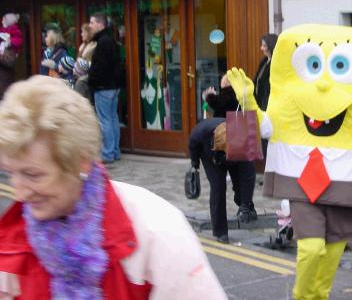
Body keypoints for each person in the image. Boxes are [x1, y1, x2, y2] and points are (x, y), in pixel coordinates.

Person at [0, 75, 227, 299]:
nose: (19, 193)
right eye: (12, 173)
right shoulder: (13, 239)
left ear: (81, 162)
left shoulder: (157, 232)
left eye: (33, 175)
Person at [228, 24, 352, 300]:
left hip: (344, 186)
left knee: (332, 254)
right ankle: (300, 296)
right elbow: (265, 127)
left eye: (340, 66)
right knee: (311, 249)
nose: (322, 83)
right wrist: (248, 102)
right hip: (303, 186)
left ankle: (318, 296)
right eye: (315, 67)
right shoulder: (289, 106)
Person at [189, 118, 257, 244]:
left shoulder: (244, 142)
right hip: (210, 158)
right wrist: (195, 165)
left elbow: (248, 177)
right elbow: (193, 145)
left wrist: (245, 204)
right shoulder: (200, 132)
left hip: (238, 154)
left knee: (239, 184)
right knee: (218, 188)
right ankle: (220, 232)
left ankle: (246, 208)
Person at [88, 13, 122, 165]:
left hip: (104, 86)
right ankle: (115, 150)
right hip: (113, 86)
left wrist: (92, 80)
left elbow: (100, 67)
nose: (90, 25)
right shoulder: (111, 40)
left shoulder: (102, 42)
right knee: (113, 118)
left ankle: (108, 153)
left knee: (105, 119)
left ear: (100, 25)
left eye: (92, 22)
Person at [252, 33, 278, 112]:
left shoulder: (276, 64)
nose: (261, 48)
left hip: (268, 106)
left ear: (271, 47)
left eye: (264, 46)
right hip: (259, 103)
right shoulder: (264, 61)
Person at [0, 13, 23, 99]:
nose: (1, 21)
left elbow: (10, 62)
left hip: (4, 83)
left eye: (3, 19)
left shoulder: (12, 46)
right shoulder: (2, 40)